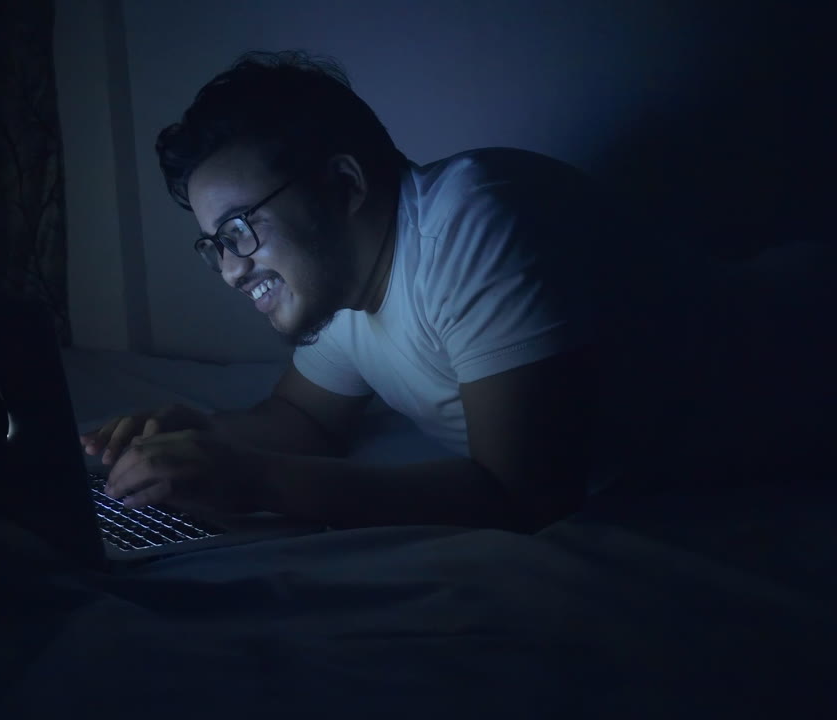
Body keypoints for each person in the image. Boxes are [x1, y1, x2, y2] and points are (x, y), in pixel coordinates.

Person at [80, 51, 703, 532]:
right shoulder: (342, 290)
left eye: (241, 230)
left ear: (343, 186)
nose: (230, 270)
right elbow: (301, 419)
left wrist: (259, 482)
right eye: (216, 243)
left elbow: (526, 497)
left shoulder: (473, 219)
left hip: (786, 390)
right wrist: (201, 438)